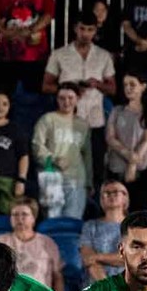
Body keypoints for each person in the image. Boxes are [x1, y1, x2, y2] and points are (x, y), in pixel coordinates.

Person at [43, 13, 118, 130]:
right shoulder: (59, 55)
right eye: (82, 29)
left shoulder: (104, 56)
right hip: (67, 121)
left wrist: (97, 84)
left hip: (95, 121)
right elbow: (46, 86)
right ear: (75, 29)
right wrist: (70, 89)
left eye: (90, 30)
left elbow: (112, 89)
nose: (85, 34)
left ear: (95, 31)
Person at [31, 85, 91, 220]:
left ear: (77, 99)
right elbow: (36, 145)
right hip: (51, 177)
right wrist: (53, 159)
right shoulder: (47, 119)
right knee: (52, 221)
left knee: (73, 222)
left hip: (76, 179)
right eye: (62, 98)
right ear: (56, 99)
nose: (66, 102)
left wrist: (89, 182)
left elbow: (87, 155)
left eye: (70, 98)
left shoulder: (83, 125)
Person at [104, 73, 147, 206]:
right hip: (116, 172)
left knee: (138, 215)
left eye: (132, 85)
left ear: (143, 86)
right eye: (125, 85)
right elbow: (110, 138)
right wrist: (129, 155)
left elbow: (146, 141)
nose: (128, 88)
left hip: (141, 173)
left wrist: (132, 165)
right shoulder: (117, 111)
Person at [0, 198, 65, 291]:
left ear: (33, 218)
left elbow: (58, 276)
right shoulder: (0, 242)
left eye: (24, 214)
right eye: (15, 215)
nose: (19, 219)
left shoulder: (47, 243)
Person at [78, 179, 127, 282]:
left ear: (125, 197)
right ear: (101, 199)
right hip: (98, 284)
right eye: (106, 193)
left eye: (115, 192)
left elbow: (131, 258)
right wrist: (108, 288)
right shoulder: (90, 226)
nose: (111, 195)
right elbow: (88, 259)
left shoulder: (134, 225)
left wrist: (98, 257)